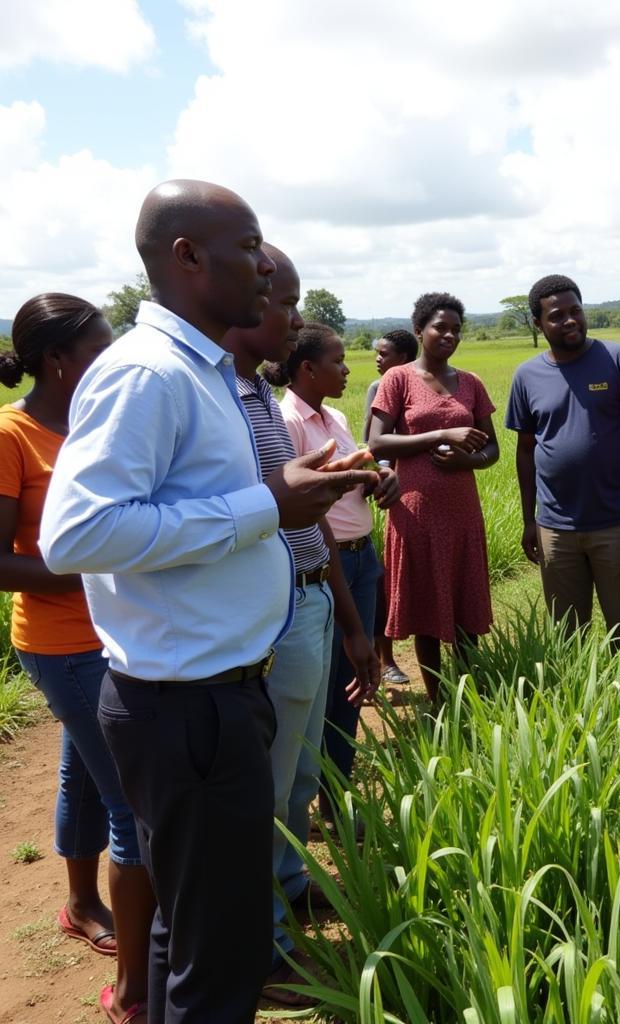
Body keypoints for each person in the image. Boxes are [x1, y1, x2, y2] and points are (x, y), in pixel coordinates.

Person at [39, 180, 377, 1024]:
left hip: (212, 696)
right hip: (185, 708)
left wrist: (283, 492)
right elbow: (76, 534)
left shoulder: (204, 370)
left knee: (189, 937)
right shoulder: (148, 374)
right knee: (221, 960)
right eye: (249, 247)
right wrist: (265, 506)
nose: (266, 265)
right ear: (187, 257)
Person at [221, 251, 382, 1004]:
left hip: (314, 597)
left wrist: (352, 622)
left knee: (304, 769)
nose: (288, 316)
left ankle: (289, 886)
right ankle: (267, 945)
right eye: (278, 300)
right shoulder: (215, 393)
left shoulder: (251, 390)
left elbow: (305, 522)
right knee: (273, 780)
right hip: (276, 611)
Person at [0, 294, 153, 1024]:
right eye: (99, 347)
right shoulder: (13, 434)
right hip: (62, 644)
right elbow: (1, 563)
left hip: (115, 631)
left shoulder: (96, 424)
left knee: (83, 775)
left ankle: (79, 900)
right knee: (130, 796)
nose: (113, 358)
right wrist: (100, 559)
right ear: (59, 362)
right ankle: (135, 973)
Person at [267, 322, 399, 825]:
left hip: (361, 554)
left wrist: (382, 478)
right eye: (338, 361)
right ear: (307, 369)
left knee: (352, 683)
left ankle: (336, 799)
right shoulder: (288, 422)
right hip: (328, 560)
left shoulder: (335, 414)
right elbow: (305, 497)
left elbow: (357, 469)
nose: (347, 370)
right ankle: (329, 807)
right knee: (329, 688)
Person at [368, 292, 498, 701]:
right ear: (419, 330)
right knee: (425, 603)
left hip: (461, 511)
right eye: (441, 327)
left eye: (457, 329)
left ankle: (467, 693)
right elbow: (376, 441)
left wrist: (467, 460)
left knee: (464, 602)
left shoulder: (471, 383)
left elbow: (491, 449)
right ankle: (438, 699)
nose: (450, 335)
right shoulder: (398, 379)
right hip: (415, 512)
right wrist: (441, 435)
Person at [506, 274, 620, 645]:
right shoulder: (527, 375)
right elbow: (525, 450)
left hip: (616, 521)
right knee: (568, 636)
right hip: (555, 527)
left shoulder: (619, 359)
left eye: (576, 311)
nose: (570, 320)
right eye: (557, 315)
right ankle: (581, 701)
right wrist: (528, 520)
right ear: (538, 323)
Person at [363, 328, 417, 686]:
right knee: (385, 579)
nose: (377, 360)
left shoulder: (426, 382)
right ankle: (386, 660)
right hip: (391, 492)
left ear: (405, 358)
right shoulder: (377, 387)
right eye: (378, 353)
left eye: (385, 354)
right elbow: (372, 444)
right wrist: (383, 474)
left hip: (422, 492)